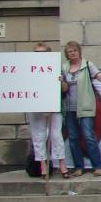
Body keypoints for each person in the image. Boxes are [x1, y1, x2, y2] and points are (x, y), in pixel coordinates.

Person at [61, 40, 101, 177]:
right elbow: (62, 87)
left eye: (74, 50)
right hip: (69, 108)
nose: (72, 53)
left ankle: (98, 166)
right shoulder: (64, 67)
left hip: (85, 106)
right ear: (67, 54)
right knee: (73, 138)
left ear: (79, 51)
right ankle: (78, 167)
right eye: (69, 52)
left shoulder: (87, 64)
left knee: (89, 136)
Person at [27, 43, 69, 178]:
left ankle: (62, 164)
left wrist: (60, 81)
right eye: (37, 53)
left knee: (56, 135)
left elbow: (65, 88)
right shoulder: (28, 68)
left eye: (42, 53)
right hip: (36, 107)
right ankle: (43, 166)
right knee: (39, 136)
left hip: (53, 106)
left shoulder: (57, 67)